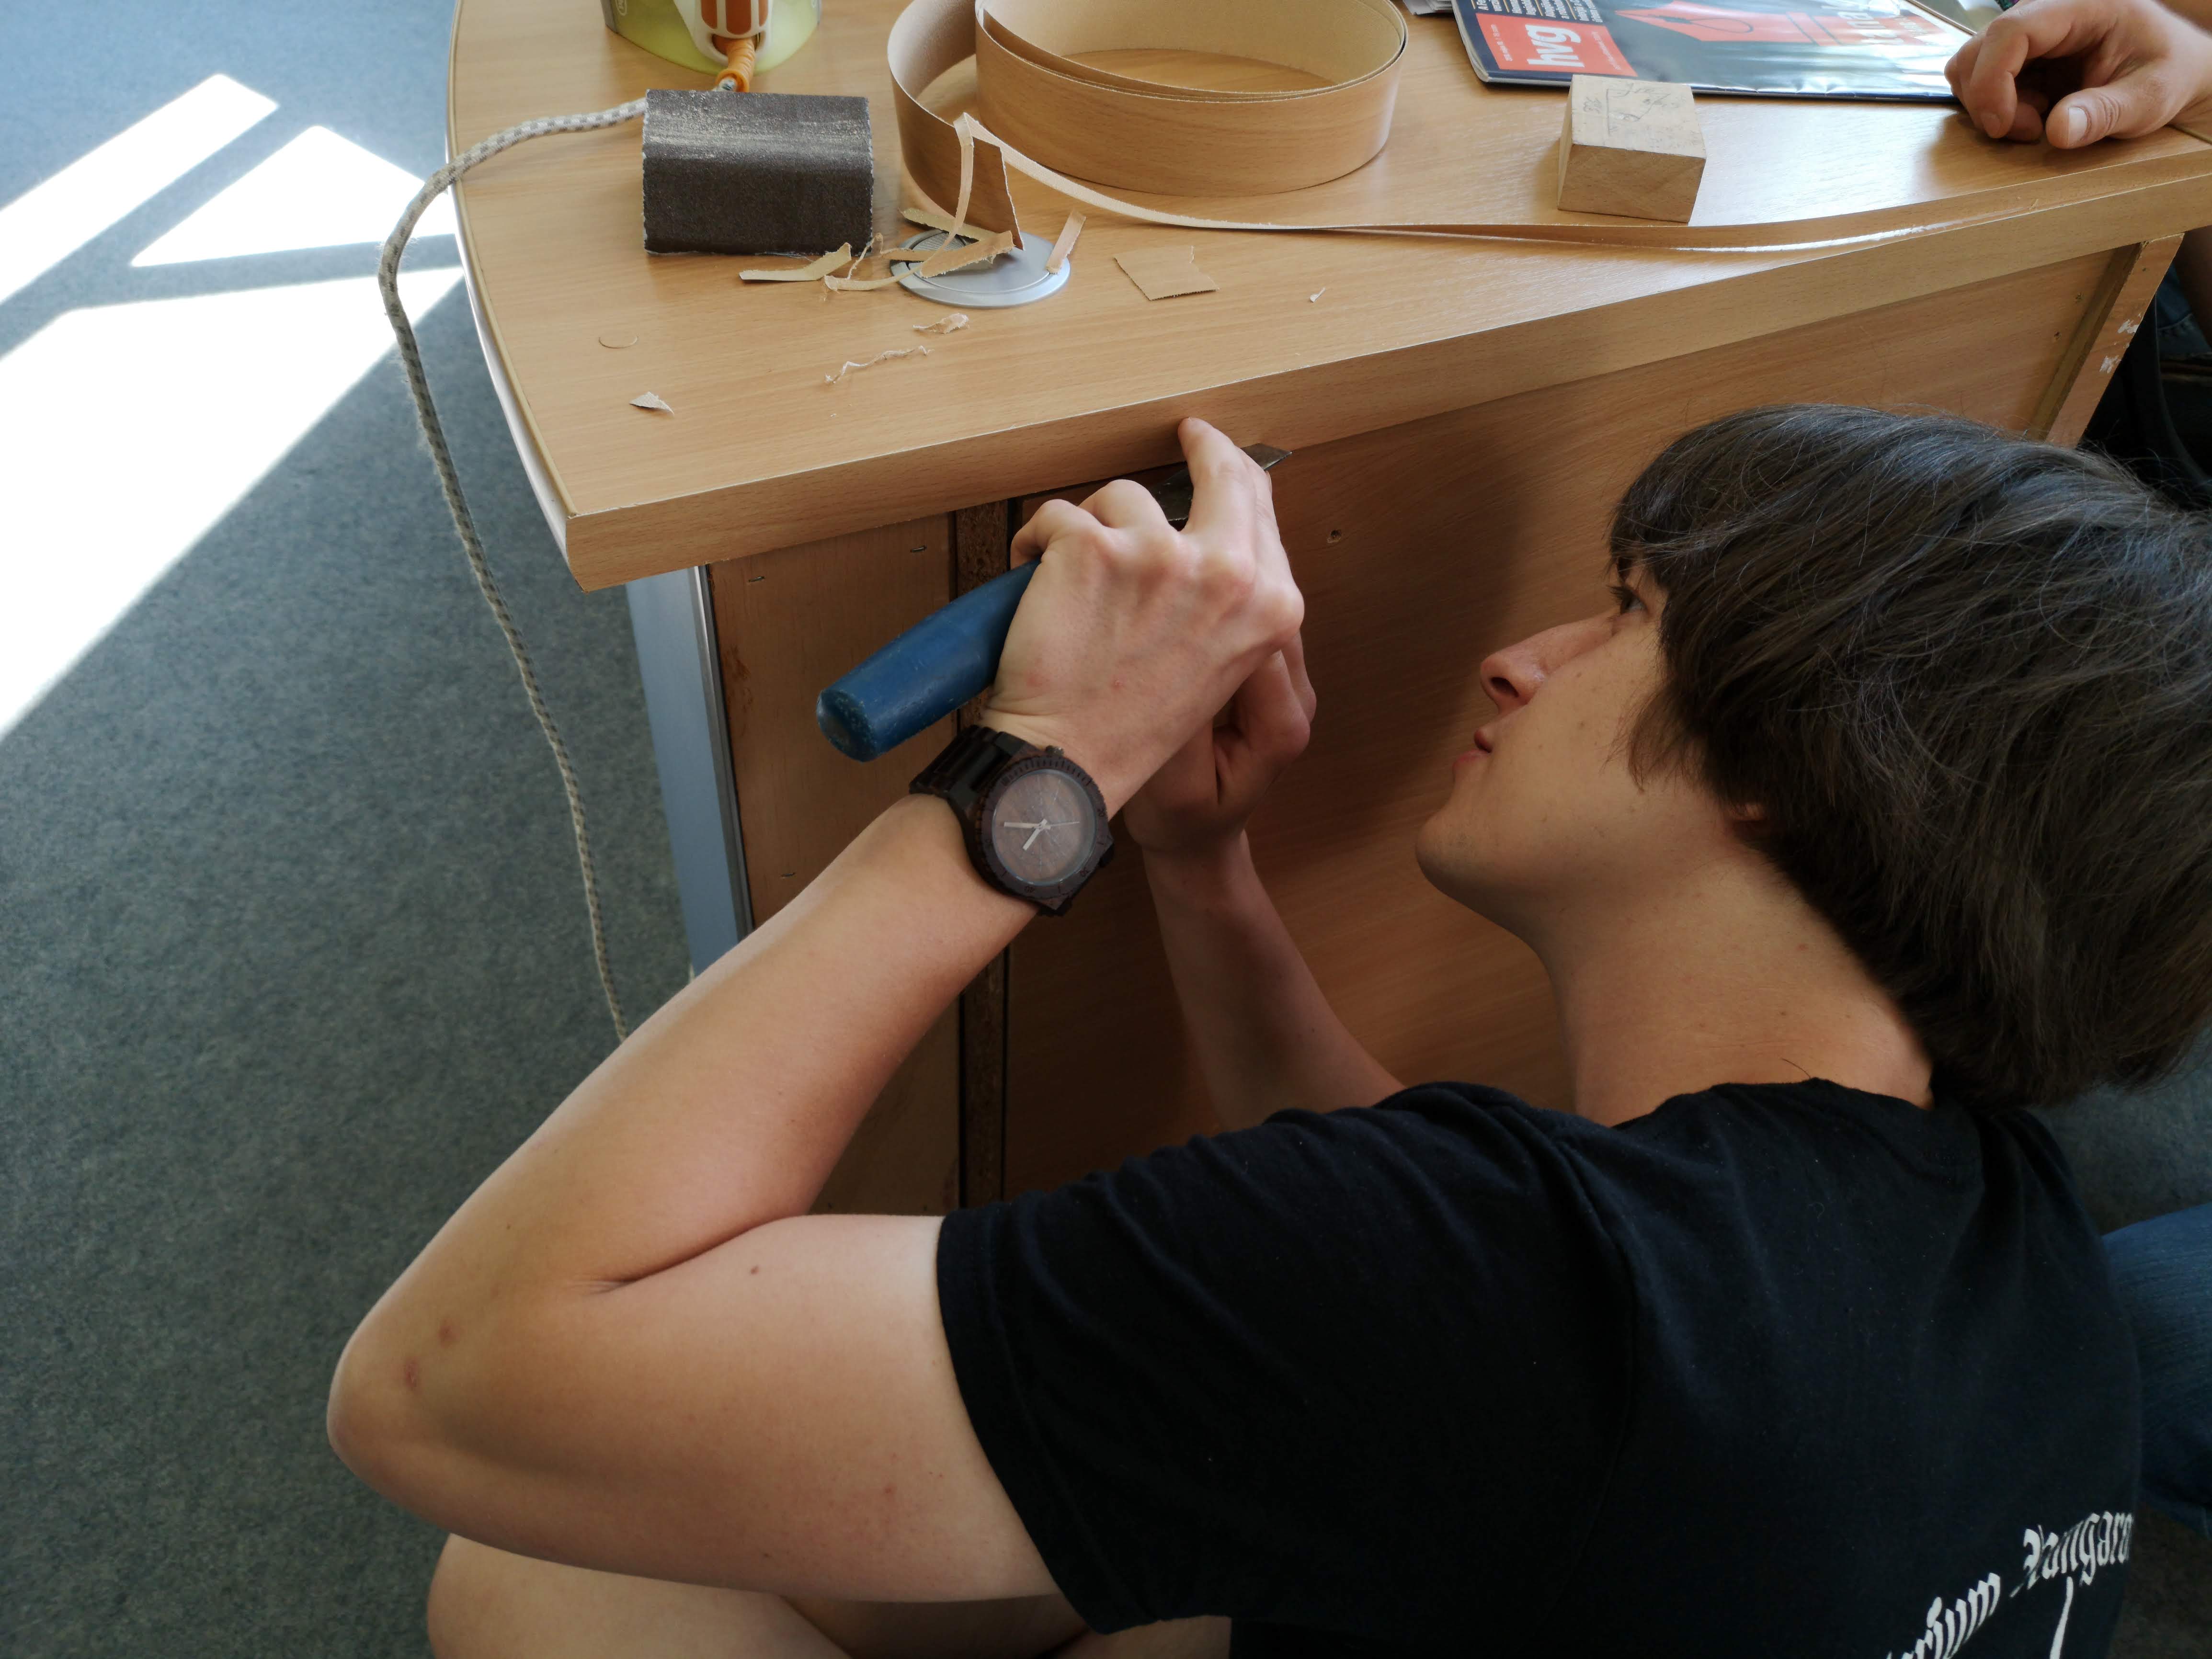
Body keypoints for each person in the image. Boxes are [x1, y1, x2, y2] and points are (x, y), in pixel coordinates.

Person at [326, 402, 2212, 1659]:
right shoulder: (2001, 1231)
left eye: (1628, 613)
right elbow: (1429, 1309)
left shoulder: (1501, 1295)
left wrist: (1042, 774)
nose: (1523, 658)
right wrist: (1196, 857)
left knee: (544, 1564)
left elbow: (449, 1382)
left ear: (1804, 764)